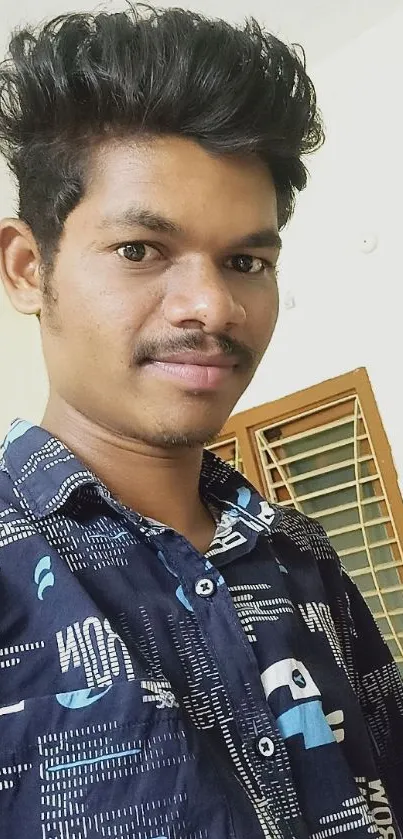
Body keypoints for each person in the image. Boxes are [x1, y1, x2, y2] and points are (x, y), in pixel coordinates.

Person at [0, 5, 401, 838]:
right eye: (141, 250)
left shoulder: (303, 557)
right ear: (29, 268)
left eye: (245, 261)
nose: (212, 306)